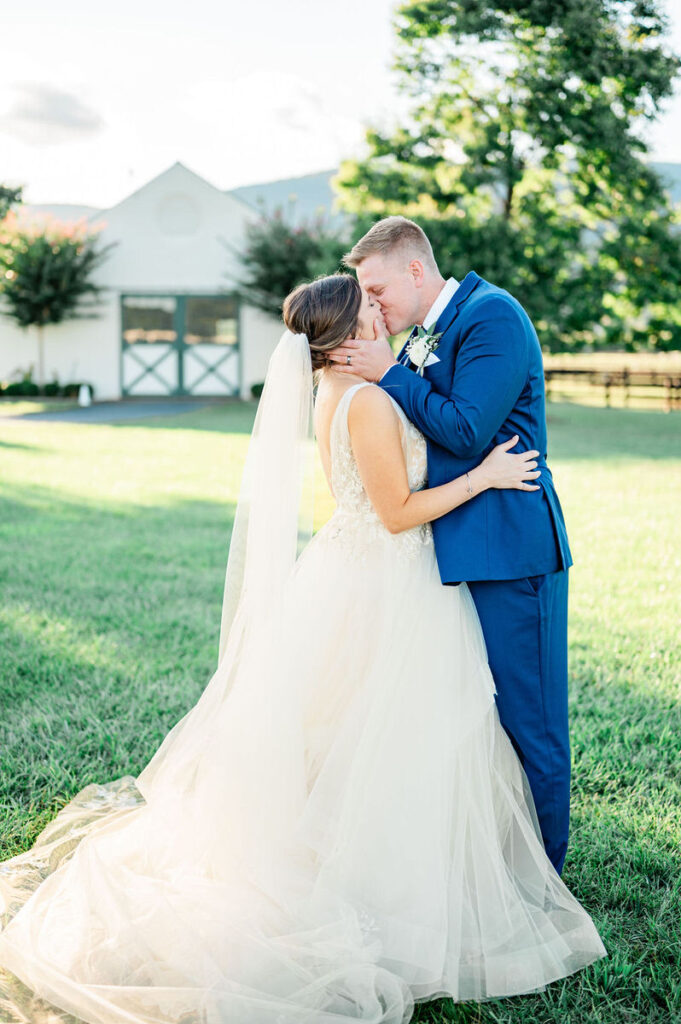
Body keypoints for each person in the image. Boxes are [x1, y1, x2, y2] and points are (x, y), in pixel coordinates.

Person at [0, 274, 606, 1024]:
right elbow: (395, 513)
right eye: (370, 311)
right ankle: (383, 884)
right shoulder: (373, 401)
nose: (382, 315)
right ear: (346, 339)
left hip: (349, 577)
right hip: (387, 583)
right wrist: (483, 476)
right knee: (392, 738)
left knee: (351, 736)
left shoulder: (336, 394)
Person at [328, 216, 575, 877]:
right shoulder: (421, 335)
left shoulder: (491, 315)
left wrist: (387, 372)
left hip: (510, 553)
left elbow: (466, 430)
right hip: (451, 550)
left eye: (375, 288)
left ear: (414, 269)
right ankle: (491, 865)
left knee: (531, 724)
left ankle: (544, 877)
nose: (370, 304)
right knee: (477, 722)